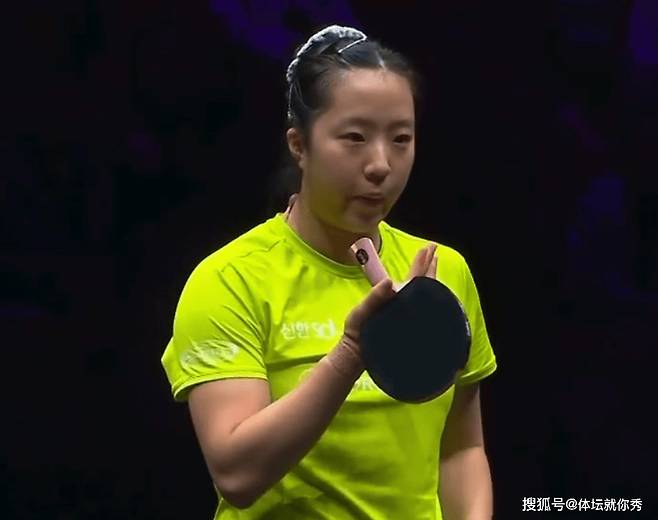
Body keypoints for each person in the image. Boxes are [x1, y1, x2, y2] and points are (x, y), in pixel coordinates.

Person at [161, 24, 497, 519]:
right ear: (299, 144)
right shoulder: (231, 280)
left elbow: (462, 449)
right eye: (355, 138)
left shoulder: (444, 271)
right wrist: (354, 351)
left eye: (401, 139)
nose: (381, 164)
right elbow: (237, 475)